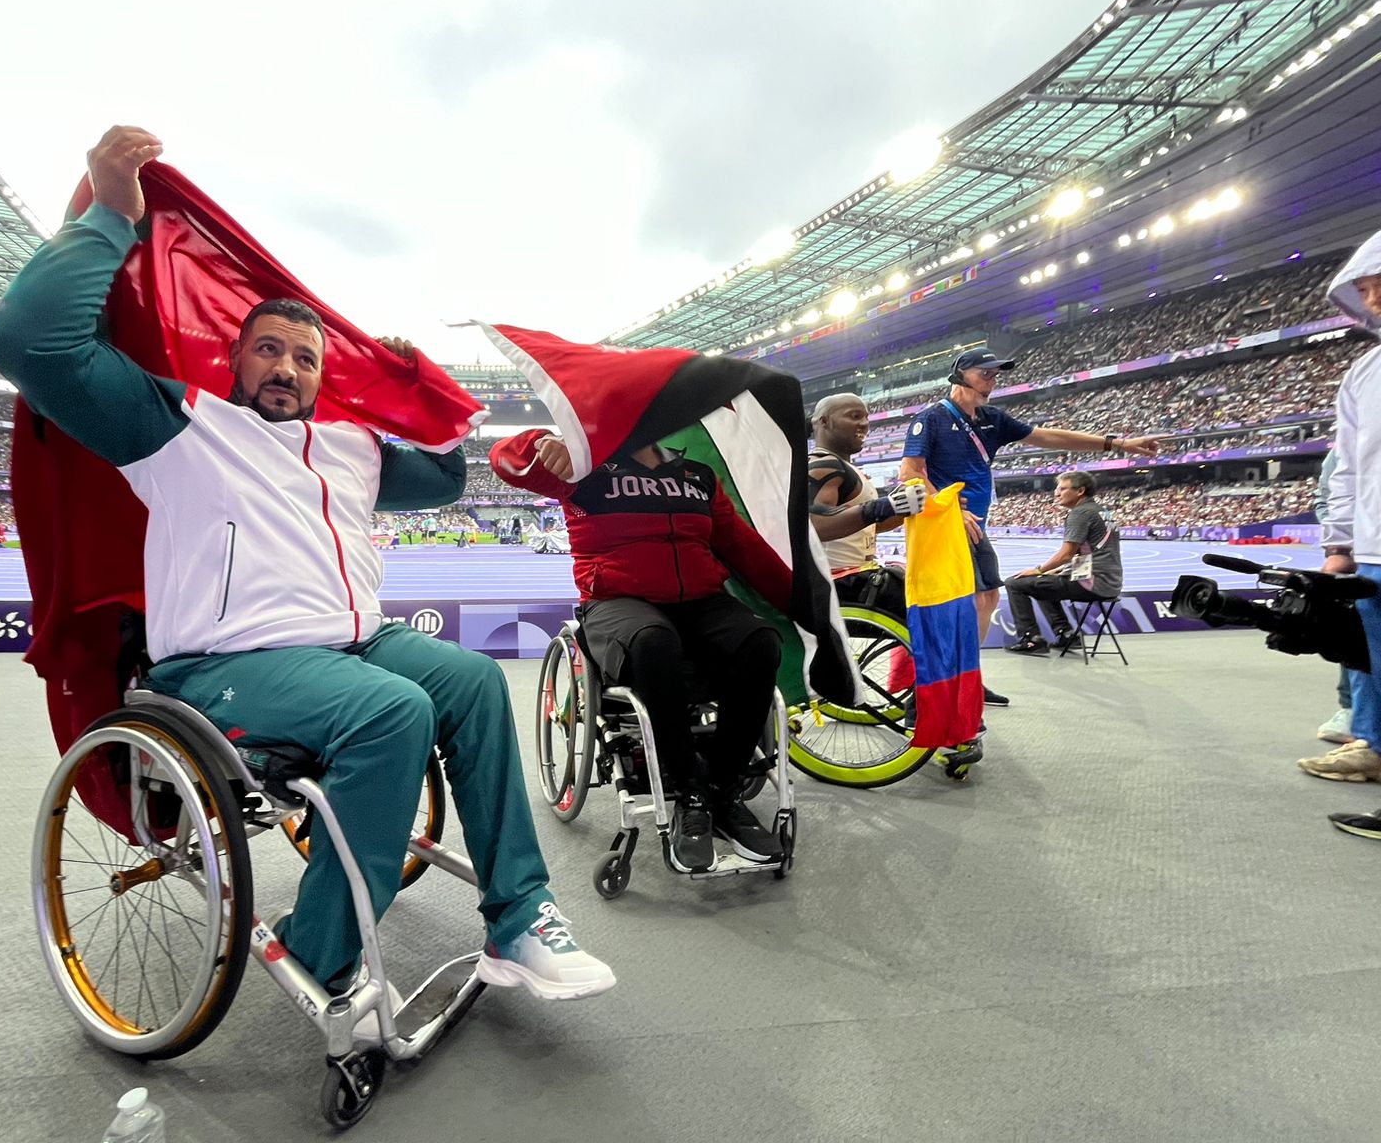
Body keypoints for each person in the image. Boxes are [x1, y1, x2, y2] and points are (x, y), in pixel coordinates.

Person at [0, 126, 614, 1014]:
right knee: (394, 712)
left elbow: (441, 474)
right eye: (268, 350)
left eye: (306, 358)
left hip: (356, 648)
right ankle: (321, 962)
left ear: (325, 377)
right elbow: (30, 345)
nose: (286, 367)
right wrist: (111, 218)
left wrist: (406, 380)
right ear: (233, 358)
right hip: (226, 665)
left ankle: (519, 915)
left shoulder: (350, 447)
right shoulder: (177, 425)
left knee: (472, 681)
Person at [491, 427, 791, 872]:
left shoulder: (698, 475)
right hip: (617, 601)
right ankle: (689, 790)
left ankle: (722, 792)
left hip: (700, 600)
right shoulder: (583, 466)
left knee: (760, 642)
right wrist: (539, 443)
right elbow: (506, 462)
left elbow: (742, 547)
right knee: (654, 642)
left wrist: (802, 602)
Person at [899, 348, 1160, 706]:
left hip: (975, 527)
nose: (993, 378)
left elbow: (1048, 437)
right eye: (985, 372)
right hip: (945, 527)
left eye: (996, 373)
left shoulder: (992, 419)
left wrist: (1116, 443)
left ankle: (967, 679)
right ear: (960, 373)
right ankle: (929, 690)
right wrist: (948, 508)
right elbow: (910, 472)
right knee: (952, 606)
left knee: (988, 598)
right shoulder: (931, 419)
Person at [1295, 231, 1381, 815]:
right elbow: (1346, 469)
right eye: (1367, 290)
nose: (1372, 300)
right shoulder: (1363, 373)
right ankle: (1371, 745)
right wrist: (1340, 544)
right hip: (1375, 549)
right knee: (1371, 655)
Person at [807, 393, 926, 616]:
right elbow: (816, 524)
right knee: (930, 595)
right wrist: (882, 507)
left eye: (866, 417)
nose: (864, 423)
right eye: (854, 416)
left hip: (852, 577)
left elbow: (867, 526)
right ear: (824, 422)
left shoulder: (842, 467)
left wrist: (904, 506)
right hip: (838, 581)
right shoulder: (823, 465)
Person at [1001, 471, 1123, 653]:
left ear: (1080, 490)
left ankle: (1031, 639)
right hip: (1110, 582)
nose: (1056, 493)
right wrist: (1046, 573)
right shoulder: (1103, 512)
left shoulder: (1080, 513)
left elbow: (1066, 555)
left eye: (1062, 489)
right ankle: (1066, 634)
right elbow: (1089, 556)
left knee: (1014, 583)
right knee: (1043, 584)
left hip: (1092, 583)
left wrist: (1037, 569)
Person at [1314, 448, 1355, 745]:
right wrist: (1340, 548)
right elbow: (1327, 498)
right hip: (1366, 553)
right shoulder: (1346, 447)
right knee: (1359, 627)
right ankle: (1352, 710)